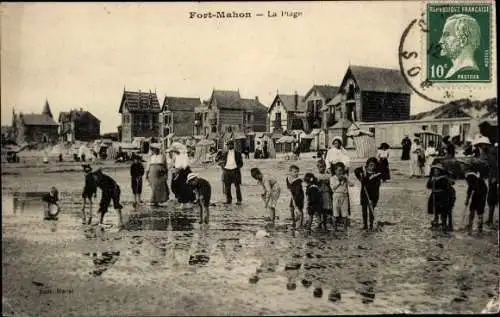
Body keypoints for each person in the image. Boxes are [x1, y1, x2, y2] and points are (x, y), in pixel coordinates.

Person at [438, 14, 481, 79]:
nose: (440, 41)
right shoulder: (453, 71)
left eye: (446, 35)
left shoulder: (468, 70)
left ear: (463, 40)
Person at [354, 157, 382, 231]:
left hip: (373, 194)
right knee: (364, 210)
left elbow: (376, 185)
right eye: (370, 165)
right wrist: (360, 178)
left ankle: (371, 225)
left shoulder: (377, 174)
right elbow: (356, 170)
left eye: (373, 165)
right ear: (367, 165)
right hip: (364, 193)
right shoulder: (364, 171)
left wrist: (372, 199)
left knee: (371, 210)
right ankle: (365, 225)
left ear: (376, 166)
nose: (371, 167)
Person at [426, 163, 454, 231]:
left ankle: (444, 224)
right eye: (434, 171)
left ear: (440, 171)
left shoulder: (444, 178)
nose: (435, 172)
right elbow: (428, 186)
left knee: (442, 210)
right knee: (435, 210)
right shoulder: (432, 178)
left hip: (442, 196)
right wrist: (431, 180)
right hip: (434, 195)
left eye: (437, 171)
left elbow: (446, 187)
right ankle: (436, 222)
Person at [330, 162, 354, 231]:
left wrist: (347, 179)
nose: (341, 172)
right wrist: (339, 182)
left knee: (345, 212)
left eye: (342, 170)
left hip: (344, 196)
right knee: (335, 212)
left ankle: (345, 228)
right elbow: (333, 188)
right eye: (339, 170)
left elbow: (352, 185)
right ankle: (335, 228)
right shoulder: (332, 178)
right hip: (336, 196)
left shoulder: (345, 177)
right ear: (335, 171)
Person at [221, 140, 243, 205]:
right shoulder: (224, 154)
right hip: (226, 171)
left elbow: (241, 163)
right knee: (227, 187)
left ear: (233, 145)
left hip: (235, 171)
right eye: (228, 145)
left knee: (237, 187)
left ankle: (239, 200)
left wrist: (236, 167)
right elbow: (222, 161)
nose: (229, 146)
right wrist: (223, 167)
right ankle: (228, 200)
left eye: (230, 145)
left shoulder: (238, 153)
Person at [316, 159, 333, 230]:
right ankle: (319, 222)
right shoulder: (316, 176)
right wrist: (318, 182)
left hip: (326, 193)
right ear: (317, 167)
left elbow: (331, 184)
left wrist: (327, 183)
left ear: (325, 167)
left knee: (325, 209)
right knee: (319, 209)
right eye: (320, 167)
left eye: (323, 167)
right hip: (319, 194)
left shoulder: (328, 175)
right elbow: (314, 186)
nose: (322, 168)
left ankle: (325, 222)